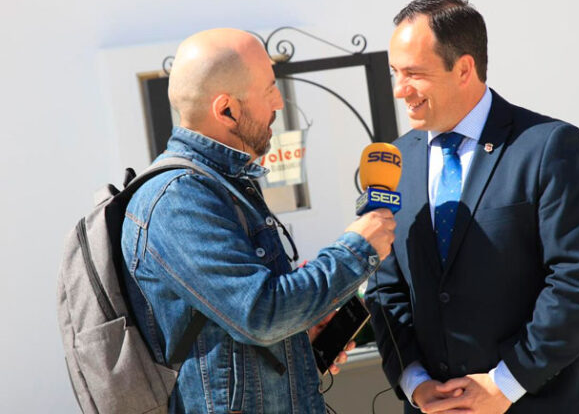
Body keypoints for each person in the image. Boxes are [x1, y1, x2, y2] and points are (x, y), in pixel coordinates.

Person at [120, 28, 396, 413]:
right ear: (226, 110)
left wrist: (295, 339)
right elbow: (261, 314)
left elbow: (246, 327)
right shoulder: (178, 199)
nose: (279, 102)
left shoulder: (222, 184)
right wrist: (357, 249)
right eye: (269, 89)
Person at [365, 0, 579, 414]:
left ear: (464, 69)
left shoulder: (547, 146)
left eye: (414, 73)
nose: (399, 89)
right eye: (395, 72)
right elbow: (385, 287)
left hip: (542, 402)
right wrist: (415, 381)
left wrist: (506, 384)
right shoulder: (394, 162)